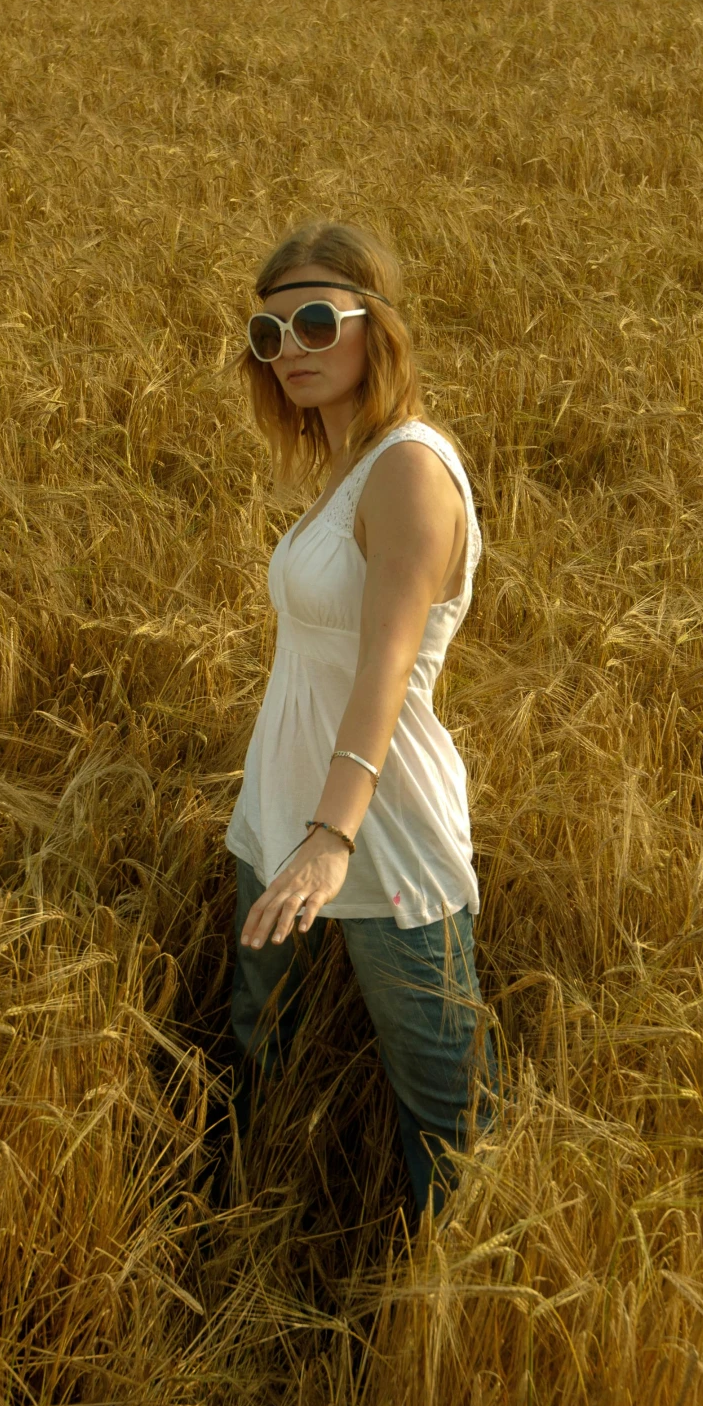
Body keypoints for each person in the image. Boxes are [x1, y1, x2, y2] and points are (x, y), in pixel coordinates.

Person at [225, 219, 498, 1219]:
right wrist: (288, 821)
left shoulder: (410, 469)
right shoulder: (341, 471)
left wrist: (333, 836)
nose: (288, 347)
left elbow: (385, 663)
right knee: (260, 1045)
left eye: (311, 319)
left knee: (443, 1101)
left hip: (375, 828)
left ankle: (460, 1314)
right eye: (266, 333)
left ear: (374, 325)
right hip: (282, 808)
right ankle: (243, 1236)